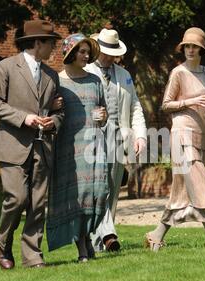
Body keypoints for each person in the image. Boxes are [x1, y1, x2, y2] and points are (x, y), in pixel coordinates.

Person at [0, 20, 64, 269]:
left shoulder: (51, 75)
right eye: (51, 42)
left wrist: (54, 121)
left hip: (43, 146)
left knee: (38, 203)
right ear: (37, 43)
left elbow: (59, 111)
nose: (53, 47)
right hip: (13, 146)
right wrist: (23, 118)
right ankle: (3, 245)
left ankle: (32, 257)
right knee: (17, 199)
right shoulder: (6, 67)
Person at [144, 27, 205, 251]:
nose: (189, 49)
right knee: (200, 181)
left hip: (202, 133)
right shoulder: (178, 72)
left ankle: (156, 235)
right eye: (187, 46)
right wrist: (190, 100)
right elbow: (166, 105)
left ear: (201, 49)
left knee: (183, 189)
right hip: (181, 134)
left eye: (194, 46)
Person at [47, 33, 109, 263]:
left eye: (87, 52)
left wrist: (103, 117)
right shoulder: (58, 81)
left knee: (99, 193)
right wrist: (52, 106)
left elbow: (104, 114)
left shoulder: (95, 81)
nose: (86, 56)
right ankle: (82, 246)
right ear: (71, 53)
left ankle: (87, 237)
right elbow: (48, 112)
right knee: (78, 196)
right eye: (81, 52)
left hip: (94, 145)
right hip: (68, 147)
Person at [85, 28, 147, 252]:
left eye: (113, 52)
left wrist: (140, 135)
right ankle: (109, 235)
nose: (110, 57)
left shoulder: (124, 75)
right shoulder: (85, 70)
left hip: (118, 138)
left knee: (112, 189)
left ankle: (99, 241)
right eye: (106, 51)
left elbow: (135, 106)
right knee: (98, 188)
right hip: (91, 138)